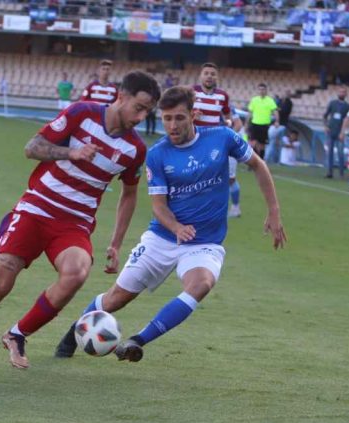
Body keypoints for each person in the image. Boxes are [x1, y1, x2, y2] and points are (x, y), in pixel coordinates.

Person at [0, 71, 162, 377]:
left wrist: (116, 242)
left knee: (76, 272)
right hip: (35, 210)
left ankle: (17, 334)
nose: (141, 117)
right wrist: (70, 152)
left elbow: (129, 194)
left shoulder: (134, 149)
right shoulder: (82, 113)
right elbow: (32, 147)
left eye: (148, 112)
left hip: (73, 224)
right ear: (121, 96)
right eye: (139, 107)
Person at [53, 86, 286, 361]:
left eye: (179, 118)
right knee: (117, 298)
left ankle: (137, 341)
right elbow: (158, 205)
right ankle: (74, 331)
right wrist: (176, 227)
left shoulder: (223, 138)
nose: (172, 126)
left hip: (204, 243)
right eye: (166, 119)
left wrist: (274, 211)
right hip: (162, 238)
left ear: (194, 115)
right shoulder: (158, 154)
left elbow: (258, 165)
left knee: (201, 284)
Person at [189, 62, 244, 219]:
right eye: (206, 73)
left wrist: (227, 134)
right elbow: (181, 114)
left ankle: (234, 207)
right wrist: (192, 116)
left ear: (217, 77)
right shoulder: (191, 93)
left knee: (227, 178)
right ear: (201, 75)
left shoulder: (222, 97)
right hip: (195, 142)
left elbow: (232, 120)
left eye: (212, 74)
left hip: (216, 143)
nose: (209, 76)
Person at [323, 85, 349, 178]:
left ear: (346, 94)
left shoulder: (347, 106)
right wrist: (326, 126)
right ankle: (329, 172)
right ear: (338, 93)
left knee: (340, 153)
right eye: (340, 92)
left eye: (343, 92)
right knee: (329, 152)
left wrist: (344, 131)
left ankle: (341, 173)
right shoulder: (332, 103)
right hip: (331, 131)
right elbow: (325, 115)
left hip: (340, 133)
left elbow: (348, 119)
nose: (341, 93)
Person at [247, 83, 279, 159]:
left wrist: (277, 121)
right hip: (254, 124)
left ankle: (261, 161)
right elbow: (250, 113)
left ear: (266, 90)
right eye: (260, 89)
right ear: (258, 90)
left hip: (264, 125)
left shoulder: (270, 100)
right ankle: (254, 161)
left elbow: (275, 111)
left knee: (262, 145)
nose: (261, 91)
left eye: (263, 89)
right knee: (253, 143)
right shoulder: (254, 100)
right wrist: (246, 123)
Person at [266, 91, 293, 164]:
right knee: (274, 141)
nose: (285, 95)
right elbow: (275, 109)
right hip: (277, 124)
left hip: (282, 124)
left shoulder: (289, 103)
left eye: (287, 94)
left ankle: (269, 158)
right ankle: (271, 159)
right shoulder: (280, 101)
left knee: (275, 141)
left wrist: (278, 109)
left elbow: (284, 111)